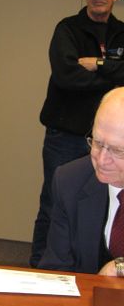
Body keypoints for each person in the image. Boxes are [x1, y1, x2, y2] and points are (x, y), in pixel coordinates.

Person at [30, 0, 124, 267]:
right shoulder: (67, 29)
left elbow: (88, 76)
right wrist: (114, 72)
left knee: (104, 205)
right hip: (66, 138)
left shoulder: (121, 33)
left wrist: (96, 64)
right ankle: (40, 271)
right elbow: (66, 76)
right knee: (57, 203)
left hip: (110, 137)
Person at [38, 87, 124, 276]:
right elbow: (56, 270)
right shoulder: (70, 181)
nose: (101, 160)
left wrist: (119, 267)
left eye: (117, 151)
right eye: (97, 142)